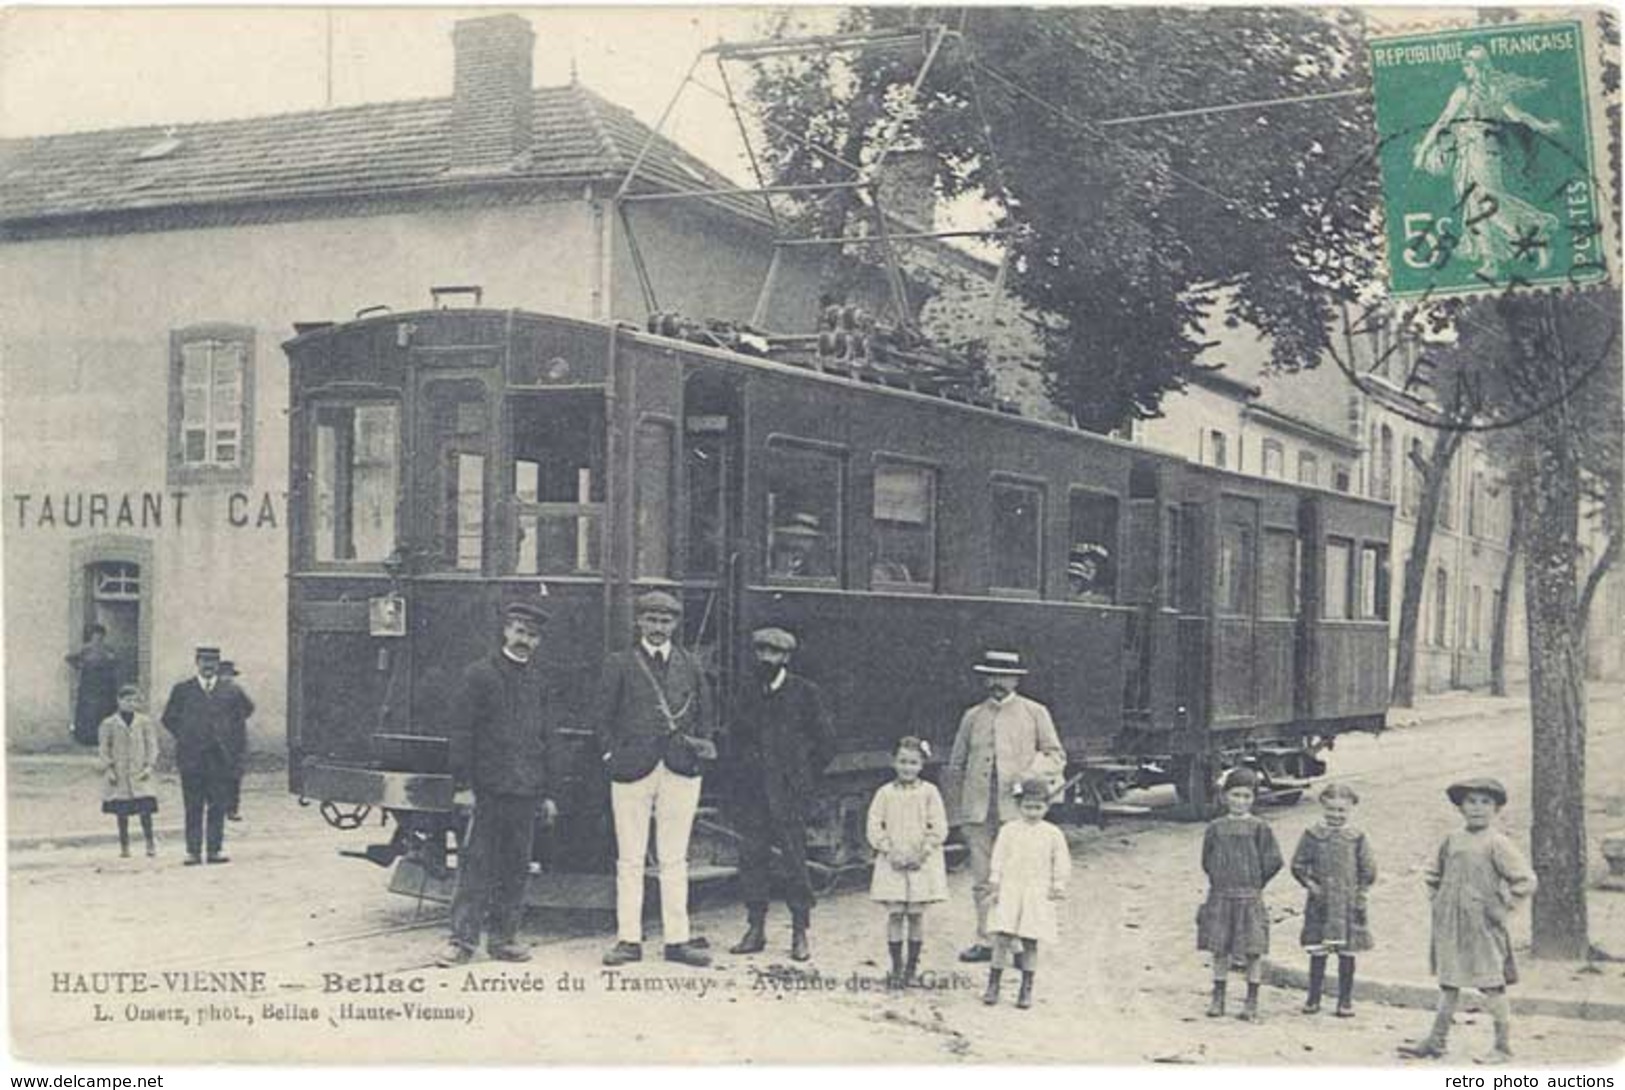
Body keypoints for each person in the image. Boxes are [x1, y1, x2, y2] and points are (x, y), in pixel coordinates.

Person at [437, 598, 559, 967]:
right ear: (506, 631)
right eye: (520, 631)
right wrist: (463, 786)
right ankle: (461, 942)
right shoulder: (480, 674)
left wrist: (549, 792)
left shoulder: (539, 680)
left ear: (538, 641)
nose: (525, 640)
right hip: (487, 791)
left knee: (515, 869)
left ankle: (504, 939)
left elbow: (547, 738)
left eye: (533, 635)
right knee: (475, 867)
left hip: (526, 790)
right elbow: (462, 733)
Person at [599, 591, 716, 968]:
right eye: (651, 619)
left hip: (680, 768)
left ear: (675, 625)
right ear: (639, 623)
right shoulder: (619, 663)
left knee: (674, 858)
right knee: (630, 858)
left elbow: (706, 713)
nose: (657, 627)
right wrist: (611, 755)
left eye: (665, 621)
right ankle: (628, 940)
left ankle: (677, 941)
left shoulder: (690, 663)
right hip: (632, 769)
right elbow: (602, 717)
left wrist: (697, 753)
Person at [1398, 777, 1537, 1065]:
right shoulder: (1452, 839)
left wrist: (1503, 909)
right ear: (1460, 807)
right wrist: (1437, 901)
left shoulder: (1497, 843)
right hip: (1450, 924)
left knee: (1491, 985)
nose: (1477, 809)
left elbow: (1524, 880)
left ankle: (1502, 1046)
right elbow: (1434, 874)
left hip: (1482, 927)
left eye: (1485, 803)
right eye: (1471, 802)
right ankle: (1436, 1041)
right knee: (1449, 982)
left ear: (1496, 809)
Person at [945, 649, 1066, 963]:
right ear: (985, 678)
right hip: (978, 810)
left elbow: (1055, 755)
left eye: (1005, 676)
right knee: (983, 878)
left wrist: (1028, 777)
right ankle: (985, 941)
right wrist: (959, 809)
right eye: (992, 675)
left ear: (1016, 679)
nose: (998, 682)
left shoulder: (1034, 712)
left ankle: (1014, 944)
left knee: (1017, 878)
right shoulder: (972, 716)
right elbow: (956, 764)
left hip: (1017, 812)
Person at [728, 626, 837, 962]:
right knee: (752, 858)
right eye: (761, 652)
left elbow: (826, 743)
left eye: (773, 653)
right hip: (753, 792)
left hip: (789, 794)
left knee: (794, 862)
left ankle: (799, 931)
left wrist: (802, 777)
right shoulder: (747, 691)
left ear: (786, 657)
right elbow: (735, 738)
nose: (766, 659)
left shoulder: (805, 693)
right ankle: (755, 928)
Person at [1412, 45, 1562, 279]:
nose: (1465, 68)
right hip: (1468, 153)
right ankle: (1490, 261)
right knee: (1473, 205)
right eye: (1464, 64)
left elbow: (1518, 116)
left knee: (1489, 201)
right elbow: (1444, 121)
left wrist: (1543, 127)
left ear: (1480, 66)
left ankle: (1536, 233)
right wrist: (1424, 149)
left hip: (1482, 152)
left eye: (1469, 64)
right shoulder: (1467, 91)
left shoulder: (1487, 90)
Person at [1198, 766, 1284, 1022]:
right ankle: (1218, 996)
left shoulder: (1260, 828)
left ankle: (1251, 1000)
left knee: (1252, 949)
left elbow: (1273, 860)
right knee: (1219, 948)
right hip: (1222, 896)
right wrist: (1221, 879)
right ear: (1225, 796)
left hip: (1249, 897)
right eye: (1235, 795)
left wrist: (1255, 882)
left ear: (1254, 799)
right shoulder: (1215, 827)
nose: (1240, 801)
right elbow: (1207, 860)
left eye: (1247, 796)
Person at [980, 775, 1070, 1010]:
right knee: (1002, 937)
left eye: (1038, 807)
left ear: (1046, 807)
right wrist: (995, 881)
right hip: (1010, 889)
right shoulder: (1009, 830)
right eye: (1027, 807)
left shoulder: (1052, 833)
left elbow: (1061, 862)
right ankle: (993, 984)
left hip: (1037, 892)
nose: (1032, 812)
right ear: (1019, 806)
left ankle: (1026, 988)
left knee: (1030, 940)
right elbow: (998, 857)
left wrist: (1058, 884)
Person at [866, 736, 949, 988]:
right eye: (902, 761)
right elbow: (873, 824)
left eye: (913, 762)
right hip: (892, 861)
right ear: (894, 762)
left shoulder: (929, 792)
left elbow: (939, 826)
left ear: (922, 765)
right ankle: (896, 967)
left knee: (915, 915)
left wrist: (923, 852)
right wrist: (888, 850)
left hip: (920, 862)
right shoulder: (884, 793)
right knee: (894, 914)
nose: (907, 767)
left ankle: (912, 968)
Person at [1291, 783, 1376, 1017]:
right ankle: (1313, 998)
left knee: (1346, 952)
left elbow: (1368, 870)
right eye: (1331, 810)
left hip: (1347, 902)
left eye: (1341, 811)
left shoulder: (1356, 837)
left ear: (1350, 810)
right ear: (1323, 807)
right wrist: (1312, 885)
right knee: (1318, 950)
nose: (1336, 816)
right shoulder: (1313, 835)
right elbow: (1298, 865)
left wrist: (1359, 893)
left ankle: (1345, 1000)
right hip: (1321, 902)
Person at [161, 646, 251, 866]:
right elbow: (168, 718)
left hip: (220, 759)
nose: (209, 665)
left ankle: (214, 850)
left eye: (213, 661)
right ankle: (192, 852)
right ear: (197, 663)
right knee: (193, 806)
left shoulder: (230, 691)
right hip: (192, 758)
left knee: (218, 806)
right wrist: (187, 736)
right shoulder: (183, 690)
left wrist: (227, 737)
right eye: (204, 661)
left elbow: (245, 712)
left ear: (218, 664)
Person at [98, 683, 158, 858]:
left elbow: (152, 745)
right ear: (119, 701)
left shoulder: (144, 722)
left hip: (140, 773)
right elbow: (104, 748)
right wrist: (109, 769)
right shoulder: (109, 723)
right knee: (122, 813)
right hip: (120, 774)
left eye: (134, 701)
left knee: (145, 811)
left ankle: (150, 843)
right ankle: (125, 846)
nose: (131, 704)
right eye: (127, 700)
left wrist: (149, 766)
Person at [66, 623, 120, 747]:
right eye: (95, 635)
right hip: (89, 686)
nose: (98, 637)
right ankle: (86, 738)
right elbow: (70, 658)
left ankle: (104, 738)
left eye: (100, 635)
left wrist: (111, 663)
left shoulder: (108, 649)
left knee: (105, 711)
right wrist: (79, 666)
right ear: (91, 636)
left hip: (105, 686)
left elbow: (116, 662)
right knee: (88, 712)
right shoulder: (86, 649)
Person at [216, 660, 250, 823]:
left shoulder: (236, 691)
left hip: (235, 741)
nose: (226, 678)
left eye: (229, 675)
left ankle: (232, 809)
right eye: (223, 675)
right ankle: (220, 808)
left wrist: (236, 721)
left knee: (234, 777)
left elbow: (249, 707)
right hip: (215, 740)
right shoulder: (210, 692)